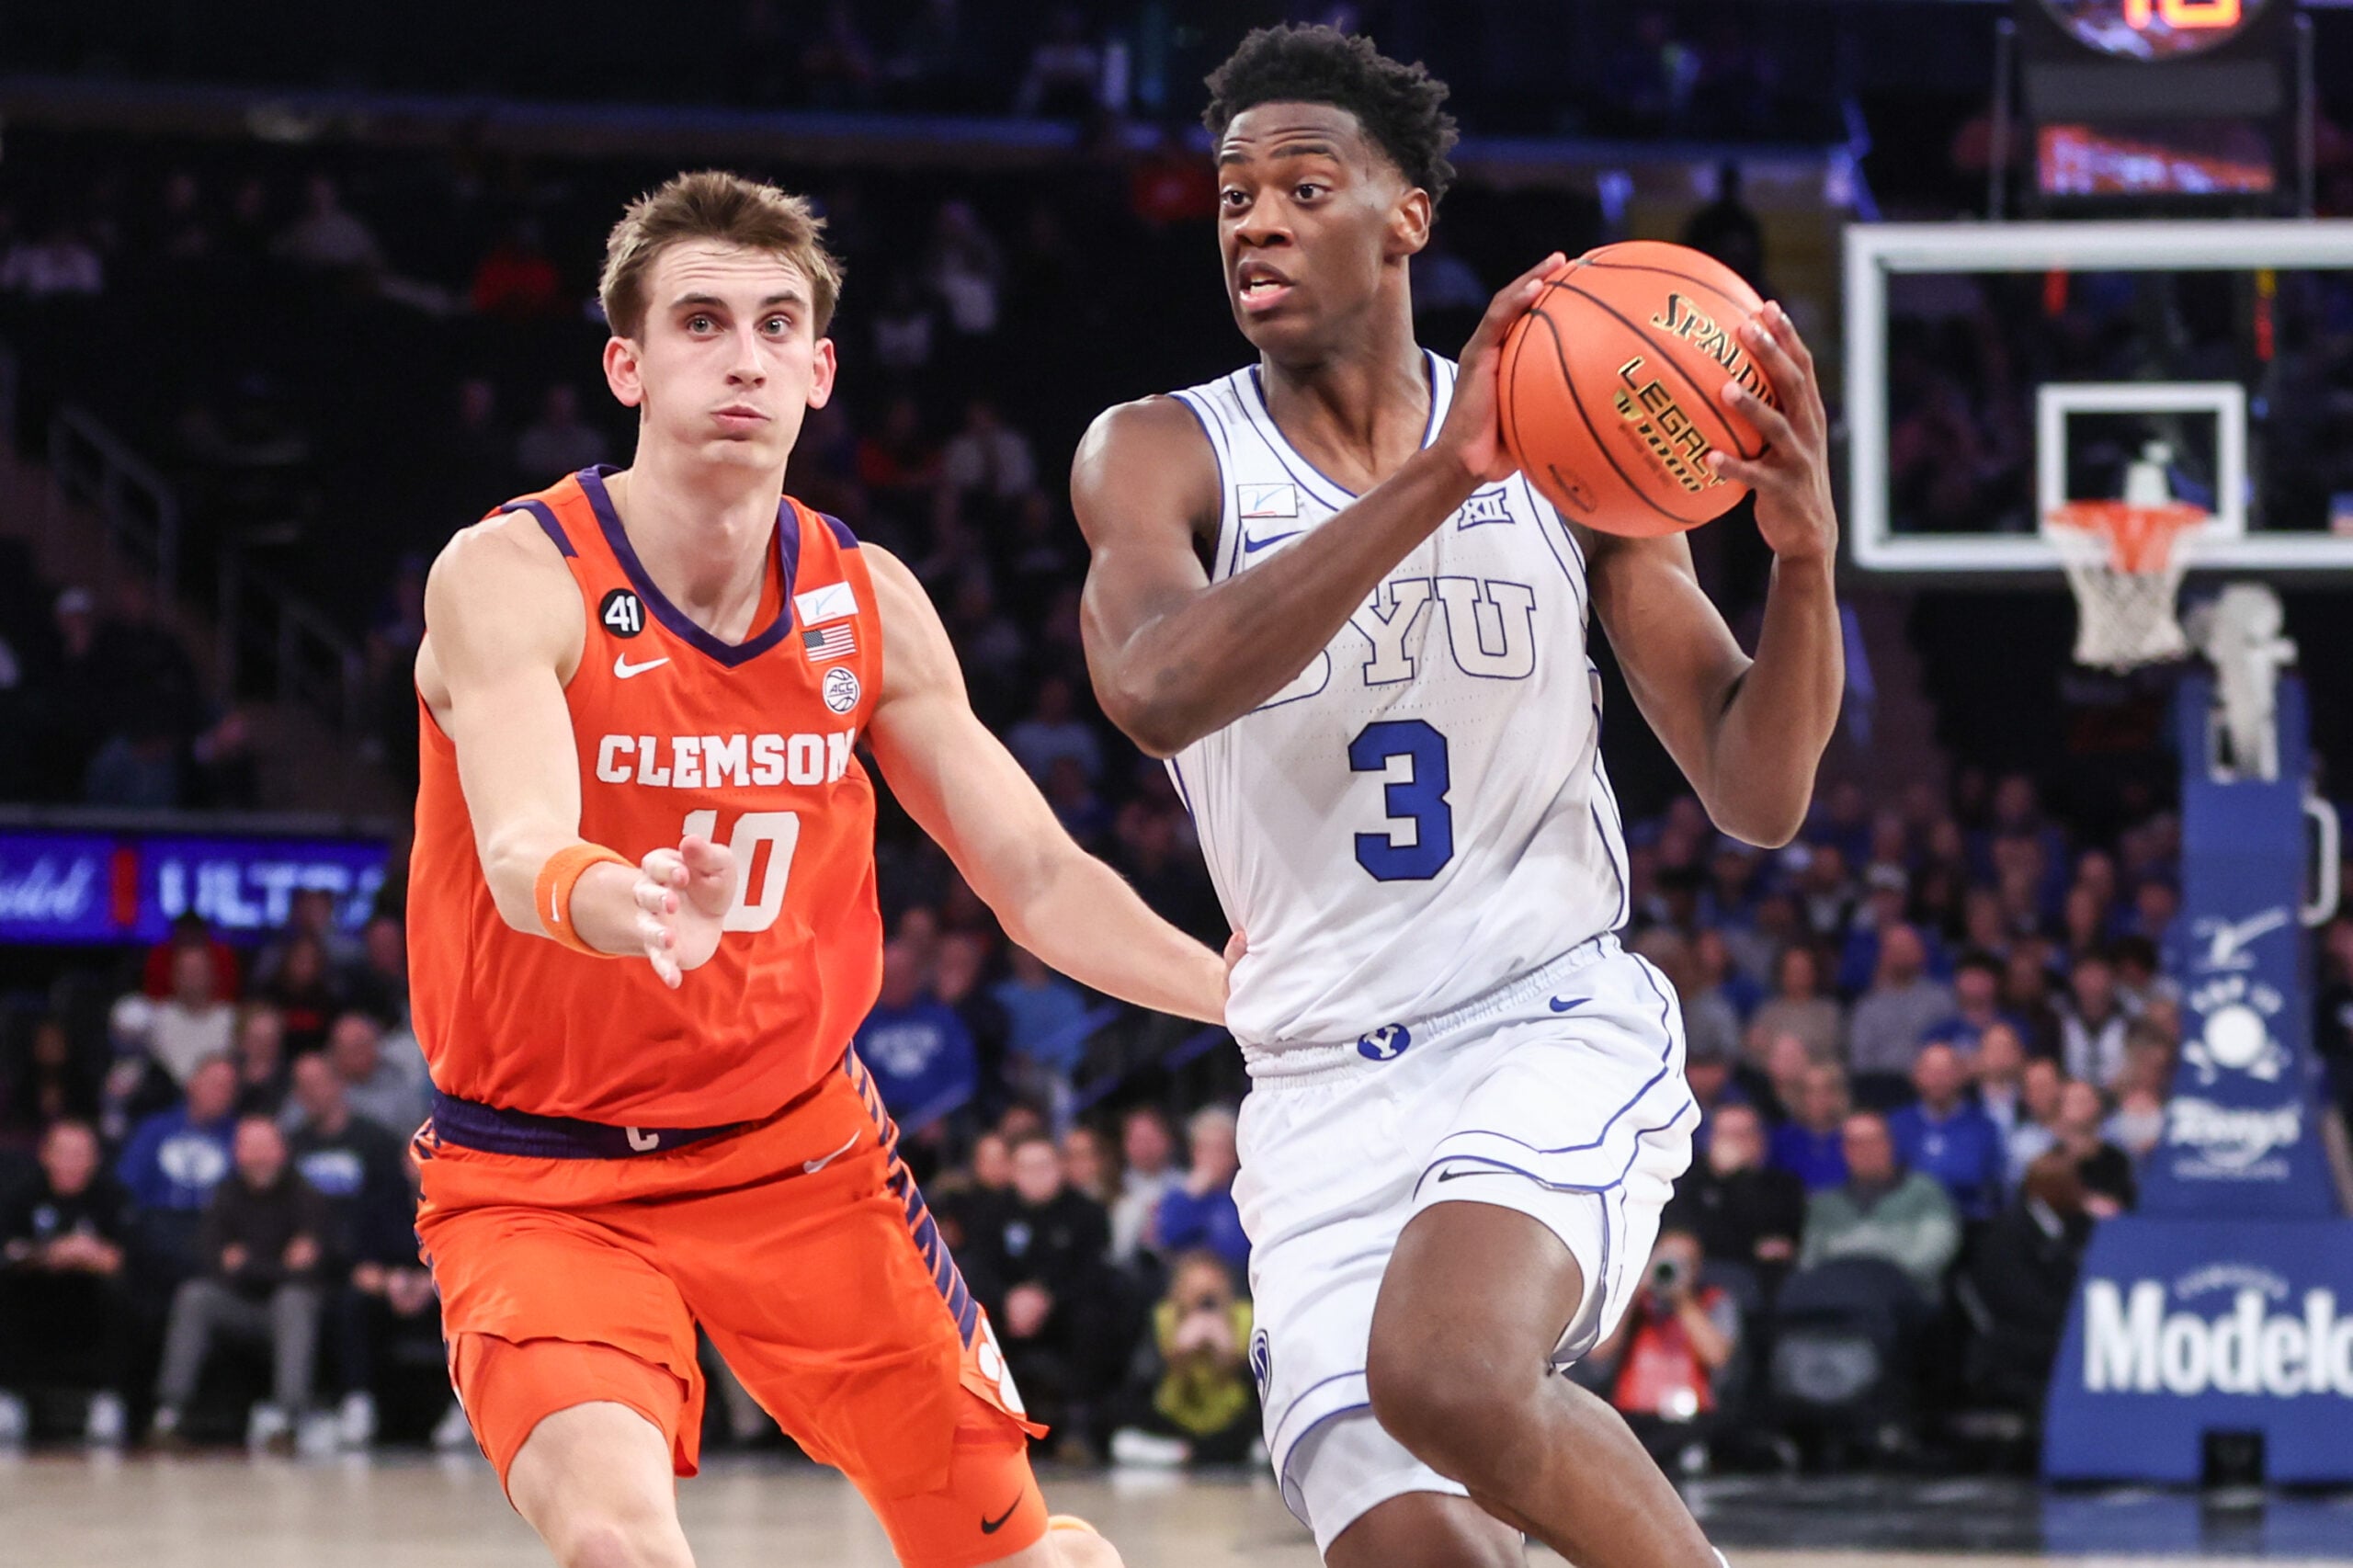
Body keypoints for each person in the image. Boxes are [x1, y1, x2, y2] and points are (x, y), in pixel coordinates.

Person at [1070, 26, 1841, 1567]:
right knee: (1419, 1552)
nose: (1257, 223)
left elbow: (1755, 789)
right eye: (1234, 196)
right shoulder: (1159, 452)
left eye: (1305, 188)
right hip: (1313, 1089)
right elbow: (1154, 690)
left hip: (1538, 1021)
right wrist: (1442, 477)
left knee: (1452, 1374)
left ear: (1406, 216)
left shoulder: (1572, 454)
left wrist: (1808, 561)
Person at [408, 170, 1229, 1568]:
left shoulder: (868, 599)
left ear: (820, 370)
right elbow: (520, 844)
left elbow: (1035, 874)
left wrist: (1241, 993)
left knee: (1017, 1558)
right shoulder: (511, 572)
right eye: (701, 322)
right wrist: (633, 901)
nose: (743, 356)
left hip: (798, 1151)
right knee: (617, 1542)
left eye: (776, 325)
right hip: (541, 1170)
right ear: (626, 365)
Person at [151, 1115, 331, 1450]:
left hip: (285, 1309)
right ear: (237, 1153)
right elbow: (211, 1260)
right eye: (250, 1148)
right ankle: (170, 1413)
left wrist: (247, 1264)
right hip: (237, 1304)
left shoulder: (307, 1197)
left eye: (266, 1147)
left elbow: (309, 1271)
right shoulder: (225, 1195)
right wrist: (277, 1264)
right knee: (195, 1296)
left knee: (294, 1300)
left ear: (282, 1151)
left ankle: (289, 1418)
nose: (259, 1157)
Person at [0, 1120, 135, 1447]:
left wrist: (90, 1255)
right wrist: (50, 1254)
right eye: (64, 1153)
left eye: (81, 1154)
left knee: (122, 1294)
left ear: (95, 1159)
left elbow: (126, 1256)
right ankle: (8, 1397)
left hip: (91, 1295)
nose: (72, 1162)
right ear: (46, 1155)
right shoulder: (21, 1193)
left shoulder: (113, 1197)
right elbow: (9, 1250)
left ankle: (108, 1399)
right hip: (33, 1291)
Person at [1586, 1229, 1739, 1471]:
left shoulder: (1712, 1301)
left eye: (1685, 1261)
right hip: (1631, 1418)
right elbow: (1599, 1352)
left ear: (1698, 1267)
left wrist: (1683, 1301)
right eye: (1667, 1257)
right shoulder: (1633, 1304)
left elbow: (1717, 1357)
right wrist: (1632, 1294)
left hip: (1693, 1423)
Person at [1108, 1250, 1258, 1468]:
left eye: (1212, 1294)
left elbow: (1258, 1384)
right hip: (1175, 1417)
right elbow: (1143, 1379)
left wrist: (1229, 1355)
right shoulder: (1163, 1318)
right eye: (1196, 1294)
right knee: (1122, 1426)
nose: (1205, 1302)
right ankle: (1180, 1453)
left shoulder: (1246, 1317)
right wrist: (1179, 1352)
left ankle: (1239, 1452)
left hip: (1231, 1418)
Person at [1797, 1111, 1961, 1301]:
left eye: (1873, 1141)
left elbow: (1936, 1252)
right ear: (1845, 1151)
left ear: (1889, 1144)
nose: (1865, 1150)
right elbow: (1809, 1263)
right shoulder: (1824, 1203)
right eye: (1855, 1143)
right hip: (1838, 1302)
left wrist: (1875, 1283)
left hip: (1907, 1299)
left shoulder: (1926, 1191)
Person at [1665, 1102, 1803, 1285]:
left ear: (1761, 1139)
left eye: (1746, 1133)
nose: (1738, 1142)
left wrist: (1737, 1179)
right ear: (1712, 1140)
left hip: (1761, 1278)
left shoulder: (1784, 1186)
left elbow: (1776, 1237)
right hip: (1700, 1273)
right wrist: (1724, 1177)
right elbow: (1693, 1233)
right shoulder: (1692, 1181)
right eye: (1729, 1135)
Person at [1885, 1042, 2005, 1220]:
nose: (1938, 1079)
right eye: (1931, 1071)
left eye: (1945, 1071)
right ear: (1915, 1076)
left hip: (1970, 1222)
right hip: (1908, 1221)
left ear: (1961, 1074)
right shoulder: (1896, 1124)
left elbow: (1991, 1186)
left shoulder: (1984, 1127)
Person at [1153, 1105, 1248, 1278]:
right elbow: (1168, 1239)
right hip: (1187, 1281)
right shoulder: (1178, 1197)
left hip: (1238, 1281)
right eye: (1206, 1148)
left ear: (1234, 1153)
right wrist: (1192, 1196)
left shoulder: (1245, 1196)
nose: (1214, 1157)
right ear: (1194, 1152)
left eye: (1221, 1149)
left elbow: (1241, 1248)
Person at [1770, 1062, 1851, 1192]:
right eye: (1809, 1091)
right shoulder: (1780, 1141)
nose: (1818, 1098)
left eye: (1826, 1090)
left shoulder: (1853, 1136)